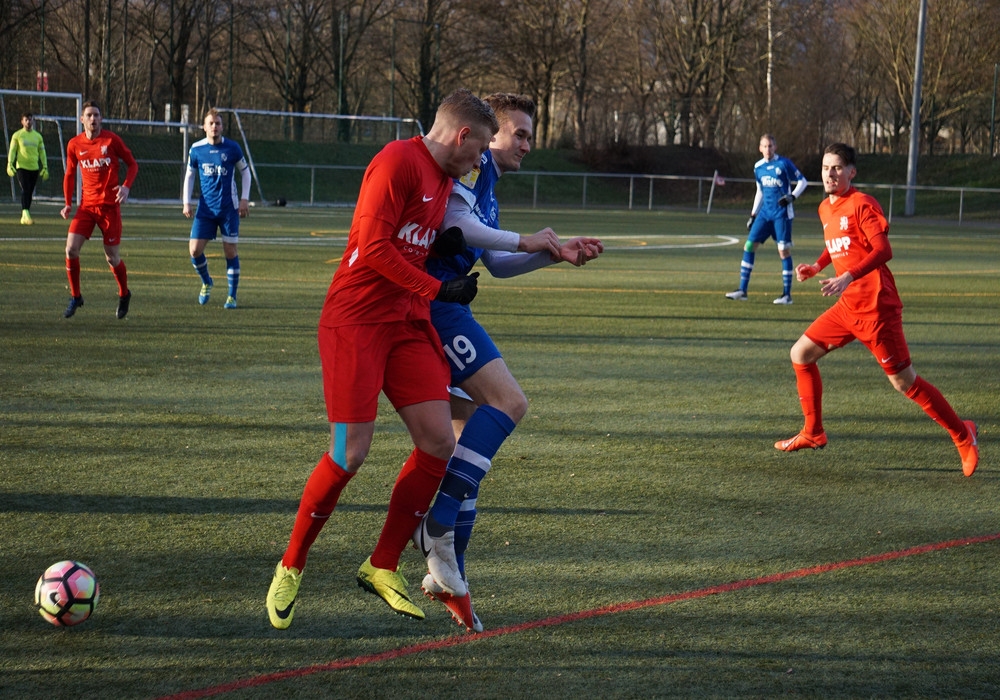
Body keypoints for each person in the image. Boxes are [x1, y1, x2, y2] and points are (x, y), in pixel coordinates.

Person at [265, 88, 499, 630]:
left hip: (407, 323)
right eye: (481, 148)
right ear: (462, 134)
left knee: (439, 442)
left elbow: (412, 237)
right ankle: (292, 563)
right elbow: (372, 249)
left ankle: (381, 564)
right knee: (350, 453)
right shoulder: (397, 160)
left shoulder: (445, 180)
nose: (479, 160)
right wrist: (439, 289)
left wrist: (441, 254)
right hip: (358, 320)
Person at [412, 93, 603, 632]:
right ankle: (436, 525)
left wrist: (553, 253)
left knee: (469, 439)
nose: (527, 144)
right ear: (486, 135)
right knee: (509, 403)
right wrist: (529, 238)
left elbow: (494, 262)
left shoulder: (485, 180)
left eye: (529, 135)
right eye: (519, 133)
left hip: (445, 304)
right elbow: (455, 224)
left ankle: (451, 578)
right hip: (435, 307)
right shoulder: (471, 171)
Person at [775, 142, 978, 478]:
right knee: (800, 354)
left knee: (904, 382)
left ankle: (963, 434)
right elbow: (838, 245)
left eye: (837, 167)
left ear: (851, 172)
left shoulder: (862, 204)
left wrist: (848, 276)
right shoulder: (825, 208)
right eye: (825, 167)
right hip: (847, 308)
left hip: (876, 309)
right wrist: (817, 266)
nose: (830, 174)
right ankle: (813, 432)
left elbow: (883, 250)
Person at [61, 101, 139, 320]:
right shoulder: (74, 144)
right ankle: (76, 296)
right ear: (82, 119)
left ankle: (124, 294)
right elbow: (69, 174)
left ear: (101, 118)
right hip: (86, 207)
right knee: (70, 249)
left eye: (96, 115)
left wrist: (126, 187)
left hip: (109, 208)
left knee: (112, 257)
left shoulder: (111, 140)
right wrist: (68, 203)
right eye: (89, 115)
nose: (93, 119)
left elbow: (132, 164)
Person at [725, 134, 807, 304]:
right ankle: (742, 290)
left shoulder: (784, 163)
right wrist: (753, 214)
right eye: (765, 146)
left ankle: (787, 295)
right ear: (760, 148)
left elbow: (802, 181)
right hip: (764, 214)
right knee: (749, 246)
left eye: (770, 146)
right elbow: (760, 191)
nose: (768, 149)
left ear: (775, 147)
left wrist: (792, 196)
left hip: (782, 214)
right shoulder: (758, 167)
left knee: (783, 251)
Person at [182, 108, 251, 309]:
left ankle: (232, 296)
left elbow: (246, 173)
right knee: (194, 250)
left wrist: (244, 199)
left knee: (230, 252)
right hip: (206, 210)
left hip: (229, 209)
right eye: (211, 123)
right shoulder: (196, 149)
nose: (214, 127)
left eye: (218, 123)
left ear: (222, 127)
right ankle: (206, 282)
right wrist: (186, 202)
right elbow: (189, 175)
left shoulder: (232, 148)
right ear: (204, 127)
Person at [7, 112, 49, 225]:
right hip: (22, 167)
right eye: (26, 120)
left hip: (34, 168)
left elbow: (42, 152)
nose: (28, 122)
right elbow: (12, 151)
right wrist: (10, 163)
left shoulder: (38, 136)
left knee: (29, 191)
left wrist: (45, 166)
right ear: (22, 121)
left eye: (30, 119)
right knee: (25, 189)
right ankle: (25, 213)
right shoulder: (17, 135)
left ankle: (25, 214)